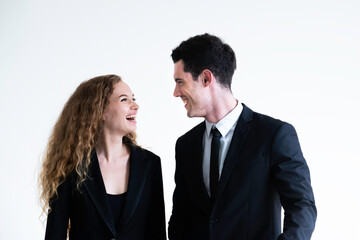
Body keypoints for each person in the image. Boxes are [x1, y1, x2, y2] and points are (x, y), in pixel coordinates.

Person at [168, 34, 317, 240]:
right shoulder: (185, 145)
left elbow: (302, 205)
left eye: (180, 82)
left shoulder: (274, 135)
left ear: (206, 78)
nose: (176, 92)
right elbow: (180, 218)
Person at [39, 74, 166, 240]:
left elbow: (156, 233)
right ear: (100, 110)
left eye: (133, 98)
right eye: (124, 100)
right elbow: (55, 235)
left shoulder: (150, 164)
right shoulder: (70, 167)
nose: (135, 105)